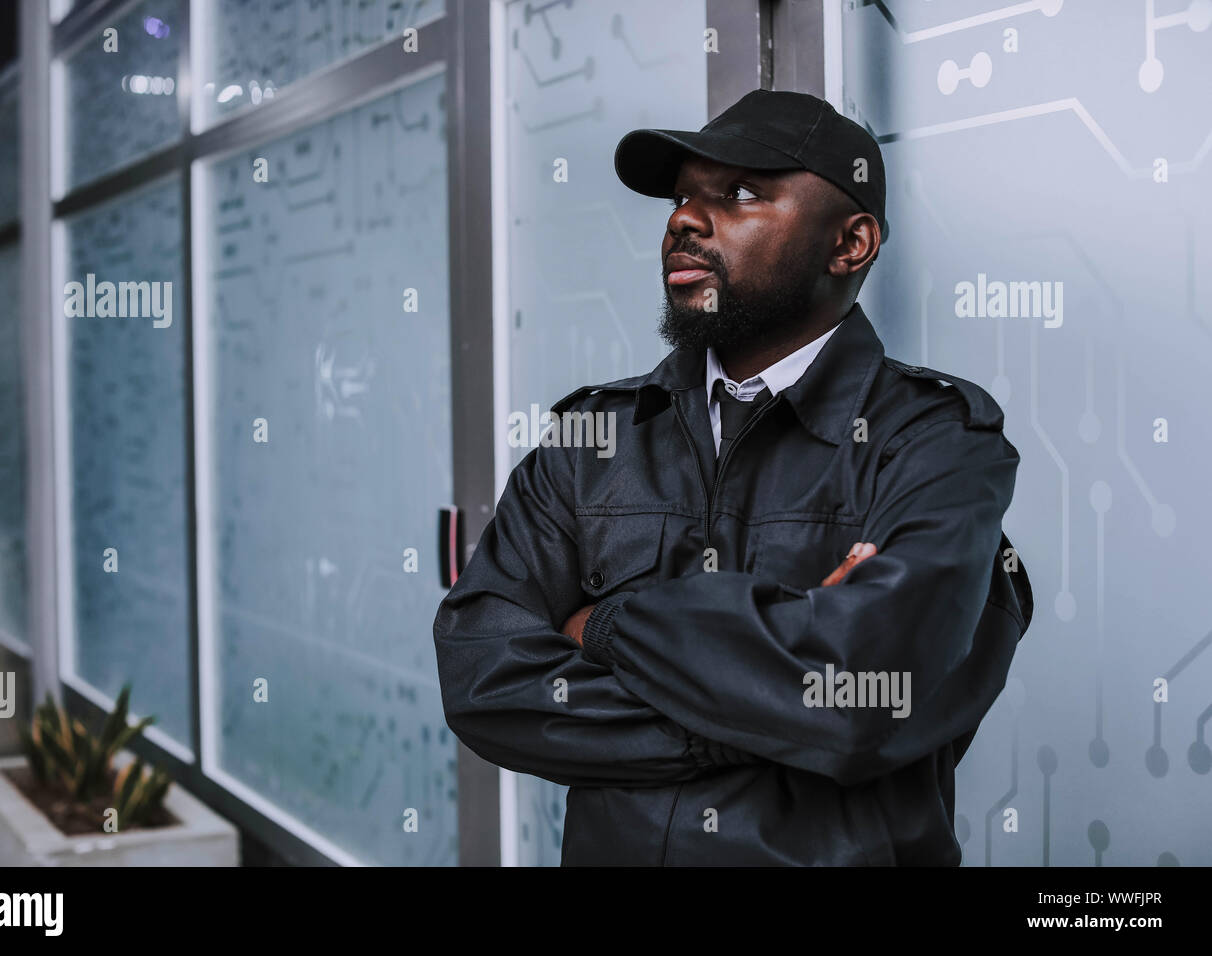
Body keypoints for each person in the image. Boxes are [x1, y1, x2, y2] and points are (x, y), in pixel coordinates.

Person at [433, 90, 1034, 865]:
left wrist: (606, 626)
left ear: (850, 243)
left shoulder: (934, 438)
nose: (684, 218)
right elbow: (485, 678)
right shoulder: (592, 437)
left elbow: (867, 691)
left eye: (741, 193)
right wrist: (765, 708)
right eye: (684, 194)